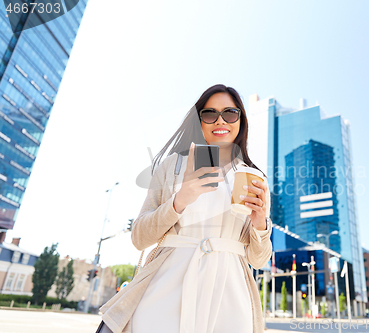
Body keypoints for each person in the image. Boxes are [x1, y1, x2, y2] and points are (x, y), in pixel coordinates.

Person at [99, 84, 273, 333]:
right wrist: (179, 200)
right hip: (168, 287)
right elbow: (139, 237)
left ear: (241, 121)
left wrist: (260, 224)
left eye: (230, 113)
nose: (220, 120)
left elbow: (259, 259)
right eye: (210, 114)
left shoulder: (254, 177)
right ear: (199, 121)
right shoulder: (173, 165)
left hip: (230, 295)